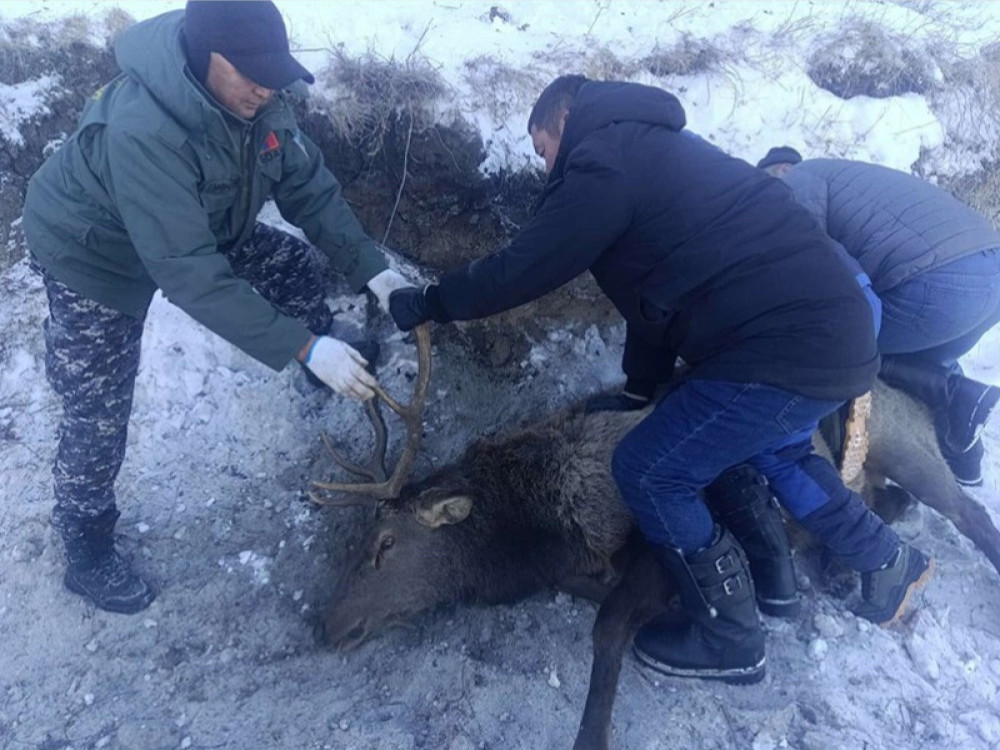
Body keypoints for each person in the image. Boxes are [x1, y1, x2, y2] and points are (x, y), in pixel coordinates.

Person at [388, 75, 932, 685]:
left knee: (650, 469)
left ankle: (731, 638)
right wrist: (639, 390)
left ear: (564, 119)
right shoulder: (656, 153)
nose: (545, 168)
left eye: (542, 149)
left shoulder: (603, 156)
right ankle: (888, 561)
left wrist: (433, 301)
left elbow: (527, 266)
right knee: (781, 452)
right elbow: (657, 300)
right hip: (833, 335)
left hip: (783, 347)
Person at [22, 1, 412, 615]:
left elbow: (308, 189)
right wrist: (302, 346)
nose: (266, 88)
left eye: (273, 75)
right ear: (207, 58)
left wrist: (374, 271)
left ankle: (321, 364)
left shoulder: (259, 101)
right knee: (97, 409)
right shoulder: (144, 129)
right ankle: (86, 545)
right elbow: (191, 274)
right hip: (92, 252)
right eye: (253, 74)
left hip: (199, 222)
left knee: (292, 264)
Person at [758, 147, 1000, 487]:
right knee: (920, 360)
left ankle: (953, 393)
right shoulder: (848, 177)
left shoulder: (797, 180)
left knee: (848, 346)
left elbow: (808, 257)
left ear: (781, 169)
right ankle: (962, 446)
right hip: (988, 269)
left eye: (764, 180)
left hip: (939, 280)